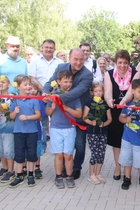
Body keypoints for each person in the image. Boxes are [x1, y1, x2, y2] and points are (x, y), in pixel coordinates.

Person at [42, 47, 93, 180]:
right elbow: (51, 82)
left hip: (78, 112)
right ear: (69, 58)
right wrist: (45, 93)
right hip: (60, 116)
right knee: (62, 146)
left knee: (80, 144)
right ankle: (63, 168)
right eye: (75, 59)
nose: (78, 62)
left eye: (81, 59)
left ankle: (76, 168)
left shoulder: (87, 75)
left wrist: (56, 98)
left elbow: (77, 92)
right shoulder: (60, 67)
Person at [104, 49, 140, 181]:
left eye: (125, 62)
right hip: (114, 110)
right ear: (116, 62)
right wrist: (108, 100)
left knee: (129, 141)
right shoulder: (108, 74)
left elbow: (131, 92)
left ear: (129, 63)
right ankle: (118, 167)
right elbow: (107, 91)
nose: (122, 65)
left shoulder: (135, 74)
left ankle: (127, 169)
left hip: (129, 110)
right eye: (120, 62)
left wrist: (124, 101)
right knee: (116, 142)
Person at [45, 70, 82, 189]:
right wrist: (53, 106)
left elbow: (79, 114)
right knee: (59, 155)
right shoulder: (53, 95)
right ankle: (58, 176)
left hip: (69, 129)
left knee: (68, 155)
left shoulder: (73, 96)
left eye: (70, 81)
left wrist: (66, 108)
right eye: (65, 81)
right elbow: (47, 112)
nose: (68, 84)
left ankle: (69, 176)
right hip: (56, 128)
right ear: (58, 82)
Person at [8, 75, 41, 188]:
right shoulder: (15, 100)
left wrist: (27, 117)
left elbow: (38, 115)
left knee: (31, 153)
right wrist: (15, 112)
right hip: (18, 131)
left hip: (32, 131)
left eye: (29, 84)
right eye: (25, 84)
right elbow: (11, 116)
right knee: (19, 153)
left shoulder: (34, 99)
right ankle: (19, 175)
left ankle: (31, 174)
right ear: (18, 87)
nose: (28, 87)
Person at [83, 81, 112, 185]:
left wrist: (104, 124)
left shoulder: (105, 104)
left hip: (103, 132)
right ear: (92, 92)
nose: (98, 93)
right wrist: (91, 122)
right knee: (94, 153)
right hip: (92, 132)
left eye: (100, 91)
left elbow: (109, 119)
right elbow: (84, 117)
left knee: (101, 153)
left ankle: (98, 173)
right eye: (96, 91)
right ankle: (91, 175)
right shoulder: (89, 103)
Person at [30, 78, 47, 179]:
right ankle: (24, 168)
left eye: (34, 89)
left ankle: (37, 168)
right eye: (30, 88)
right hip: (25, 128)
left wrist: (31, 116)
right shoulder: (22, 100)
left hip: (37, 128)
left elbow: (41, 116)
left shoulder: (39, 101)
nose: (32, 91)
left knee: (37, 148)